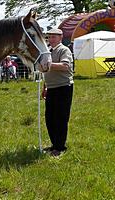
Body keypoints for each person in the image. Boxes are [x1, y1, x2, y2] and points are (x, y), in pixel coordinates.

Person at [41, 28, 74, 157]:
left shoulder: (64, 50)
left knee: (60, 118)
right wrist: (45, 87)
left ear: (60, 38)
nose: (51, 39)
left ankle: (60, 147)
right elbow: (46, 72)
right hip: (51, 88)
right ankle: (54, 144)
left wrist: (49, 64)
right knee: (50, 118)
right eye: (49, 37)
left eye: (54, 37)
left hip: (63, 87)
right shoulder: (48, 51)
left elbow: (65, 66)